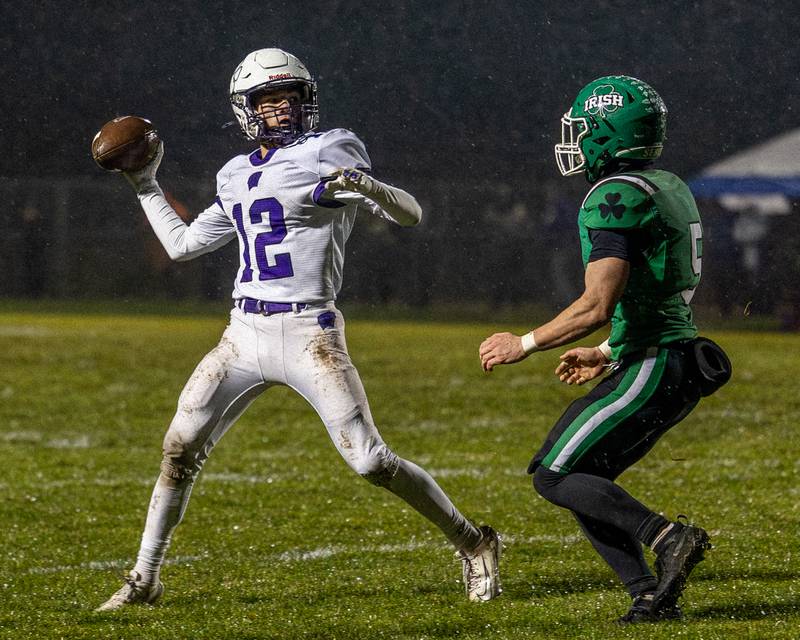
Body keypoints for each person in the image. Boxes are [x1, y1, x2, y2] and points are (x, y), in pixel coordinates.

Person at [96, 48, 501, 611]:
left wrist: (368, 188)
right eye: (267, 100)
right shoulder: (235, 174)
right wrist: (146, 185)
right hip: (242, 334)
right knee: (179, 448)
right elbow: (183, 245)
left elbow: (410, 214)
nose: (281, 108)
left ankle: (474, 541)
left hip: (311, 333)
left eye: (289, 97)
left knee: (370, 461)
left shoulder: (330, 149)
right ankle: (145, 578)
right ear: (246, 109)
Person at [479, 76, 730, 624]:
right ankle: (649, 597)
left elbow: (596, 304)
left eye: (583, 128)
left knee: (553, 475)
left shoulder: (614, 195)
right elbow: (656, 287)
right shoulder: (666, 184)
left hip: (656, 361)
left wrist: (524, 343)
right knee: (582, 476)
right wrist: (610, 350)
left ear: (606, 134)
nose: (574, 139)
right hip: (671, 356)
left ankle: (667, 538)